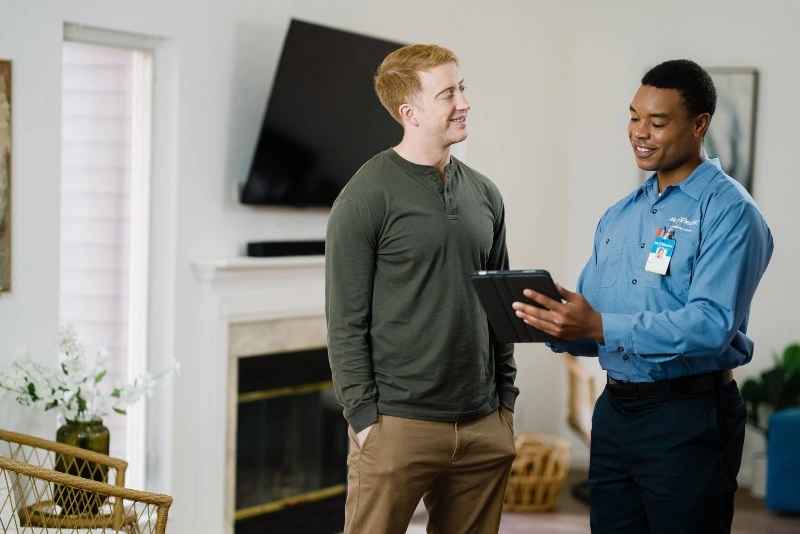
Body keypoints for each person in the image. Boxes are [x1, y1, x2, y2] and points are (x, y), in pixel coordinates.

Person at [512, 59, 773, 533]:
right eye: (634, 117)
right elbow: (592, 325)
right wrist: (548, 322)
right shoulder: (619, 216)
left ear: (700, 125)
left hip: (688, 417)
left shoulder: (731, 212)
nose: (640, 132)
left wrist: (596, 325)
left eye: (658, 121)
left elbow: (711, 325)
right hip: (614, 415)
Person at [325, 44, 518, 534]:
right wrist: (366, 419)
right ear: (409, 113)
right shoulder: (365, 196)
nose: (464, 103)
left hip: (482, 423)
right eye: (448, 94)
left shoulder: (485, 193)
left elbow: (501, 305)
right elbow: (346, 322)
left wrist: (505, 403)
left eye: (462, 89)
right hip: (397, 424)